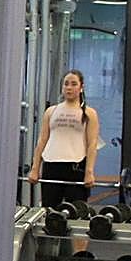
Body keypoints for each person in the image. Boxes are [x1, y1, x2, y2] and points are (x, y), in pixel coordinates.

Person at [27, 70, 100, 210]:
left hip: (76, 167)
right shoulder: (51, 112)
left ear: (81, 87)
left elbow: (92, 144)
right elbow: (42, 141)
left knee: (77, 211)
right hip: (51, 166)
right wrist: (35, 169)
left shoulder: (89, 113)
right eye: (66, 84)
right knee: (49, 210)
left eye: (73, 84)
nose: (69, 87)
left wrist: (89, 172)